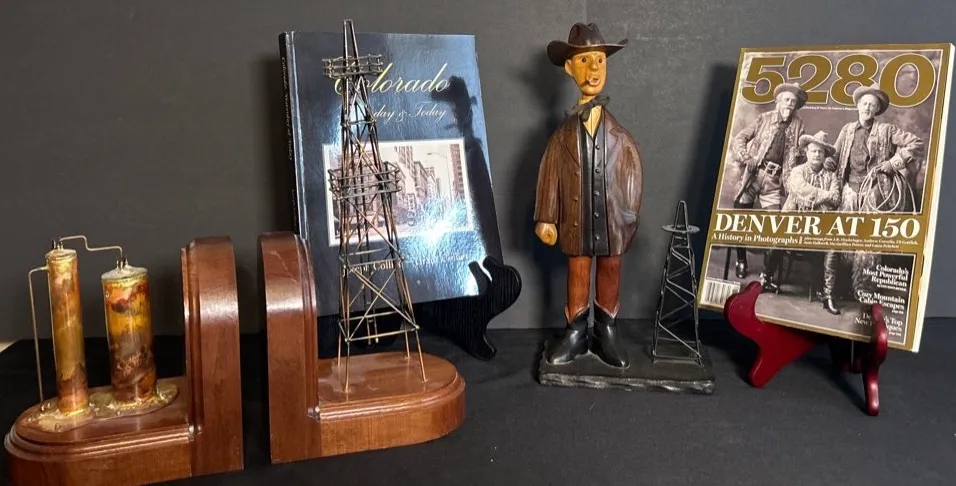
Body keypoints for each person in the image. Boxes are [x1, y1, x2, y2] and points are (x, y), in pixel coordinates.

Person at [534, 23, 643, 368]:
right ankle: (576, 331)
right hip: (576, 219)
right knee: (578, 270)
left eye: (599, 60)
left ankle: (606, 331)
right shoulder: (561, 137)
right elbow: (550, 174)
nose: (593, 69)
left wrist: (628, 214)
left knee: (610, 268)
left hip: (612, 221)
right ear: (569, 68)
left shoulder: (619, 135)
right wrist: (546, 217)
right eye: (584, 61)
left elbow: (632, 173)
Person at [827, 84, 923, 304]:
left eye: (872, 105)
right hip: (849, 190)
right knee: (844, 236)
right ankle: (842, 286)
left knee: (869, 241)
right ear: (858, 106)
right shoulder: (847, 130)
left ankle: (864, 289)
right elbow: (835, 155)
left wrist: (893, 163)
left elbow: (916, 143)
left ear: (877, 109)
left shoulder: (887, 130)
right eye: (865, 103)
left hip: (875, 191)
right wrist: (827, 161)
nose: (868, 108)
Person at [729, 82, 807, 288]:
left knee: (777, 229)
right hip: (752, 176)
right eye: (787, 100)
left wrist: (810, 158)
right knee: (740, 217)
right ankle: (741, 260)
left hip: (774, 182)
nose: (790, 104)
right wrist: (746, 157)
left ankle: (767, 274)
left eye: (793, 101)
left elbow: (800, 154)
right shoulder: (764, 118)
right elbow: (740, 138)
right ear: (778, 101)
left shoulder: (799, 125)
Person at [783, 131, 842, 313]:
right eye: (814, 151)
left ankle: (828, 295)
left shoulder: (831, 176)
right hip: (795, 224)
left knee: (833, 245)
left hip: (819, 226)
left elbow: (836, 199)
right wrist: (824, 196)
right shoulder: (797, 171)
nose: (817, 155)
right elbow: (800, 189)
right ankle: (767, 277)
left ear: (825, 156)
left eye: (821, 152)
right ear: (807, 153)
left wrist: (814, 198)